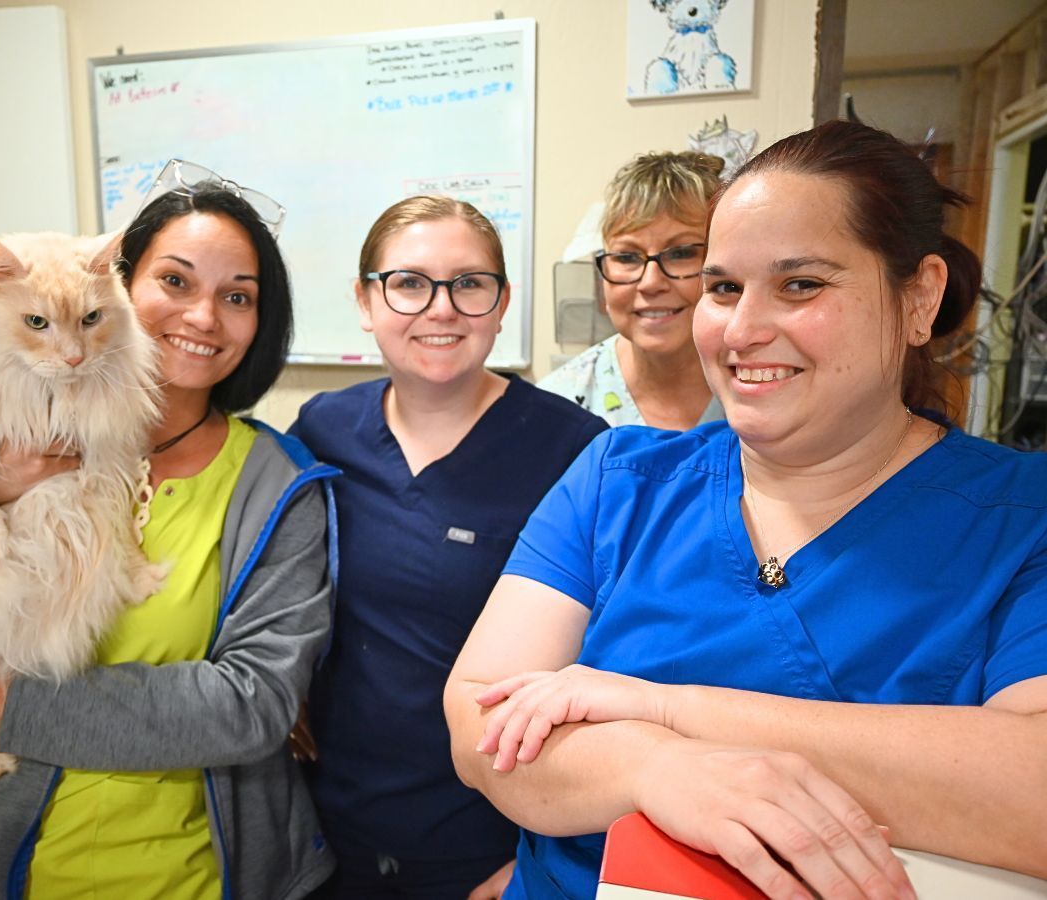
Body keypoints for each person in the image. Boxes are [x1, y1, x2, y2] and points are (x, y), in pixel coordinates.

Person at [444, 120, 1047, 900]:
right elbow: (479, 721)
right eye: (724, 288)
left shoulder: (1019, 518)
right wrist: (654, 767)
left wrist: (665, 710)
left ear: (920, 296)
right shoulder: (618, 481)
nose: (743, 328)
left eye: (801, 285)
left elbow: (1031, 792)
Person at [0, 160, 337, 899]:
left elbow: (251, 706)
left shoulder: (279, 485)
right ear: (121, 284)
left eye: (237, 297)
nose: (203, 316)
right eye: (174, 282)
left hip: (195, 876)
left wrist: (13, 706)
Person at [288, 196, 607, 899]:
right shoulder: (322, 429)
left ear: (501, 304)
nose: (441, 309)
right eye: (409, 283)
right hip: (327, 832)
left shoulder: (576, 452)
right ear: (366, 301)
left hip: (487, 843)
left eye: (469, 283)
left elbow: (609, 664)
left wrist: (541, 854)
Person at [537, 152, 724, 428]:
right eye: (626, 257)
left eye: (681, 253)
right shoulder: (558, 407)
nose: (651, 282)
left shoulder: (766, 387)